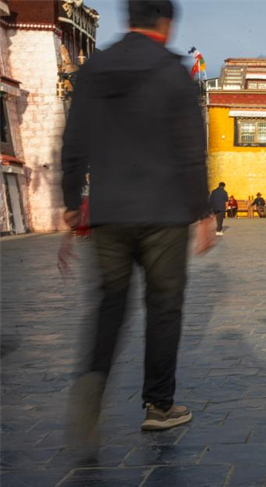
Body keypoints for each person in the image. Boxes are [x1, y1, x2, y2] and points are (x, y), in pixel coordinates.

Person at [60, 0, 213, 441]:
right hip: (164, 214)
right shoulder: (172, 73)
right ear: (165, 23)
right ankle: (159, 405)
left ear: (128, 19)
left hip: (110, 212)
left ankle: (91, 389)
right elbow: (190, 150)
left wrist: (73, 200)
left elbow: (75, 139)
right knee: (164, 307)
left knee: (110, 304)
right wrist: (202, 212)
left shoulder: (94, 69)